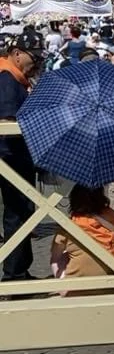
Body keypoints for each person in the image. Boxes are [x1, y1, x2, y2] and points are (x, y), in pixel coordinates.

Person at [0, 33, 44, 283]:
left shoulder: (17, 78)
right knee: (17, 214)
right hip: (10, 159)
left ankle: (19, 271)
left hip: (15, 159)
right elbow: (6, 122)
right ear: (17, 53)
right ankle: (14, 276)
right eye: (32, 57)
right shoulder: (7, 79)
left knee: (23, 214)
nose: (35, 62)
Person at [50, 184, 114, 295]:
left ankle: (63, 286)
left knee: (63, 254)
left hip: (77, 290)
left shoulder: (69, 225)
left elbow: (55, 257)